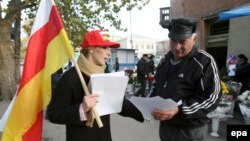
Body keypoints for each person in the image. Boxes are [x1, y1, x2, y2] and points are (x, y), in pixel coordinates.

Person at [47, 30, 143, 141]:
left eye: (109, 48)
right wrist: (81, 108)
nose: (109, 53)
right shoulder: (70, 77)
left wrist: (146, 112)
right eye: (104, 48)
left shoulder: (106, 74)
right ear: (91, 48)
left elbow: (119, 102)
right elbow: (53, 114)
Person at [150, 18, 222, 141]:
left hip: (190, 130)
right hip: (166, 127)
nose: (177, 47)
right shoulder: (164, 61)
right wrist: (149, 103)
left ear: (194, 40)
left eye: (182, 41)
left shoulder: (204, 61)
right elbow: (156, 86)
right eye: (173, 40)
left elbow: (212, 97)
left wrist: (180, 109)